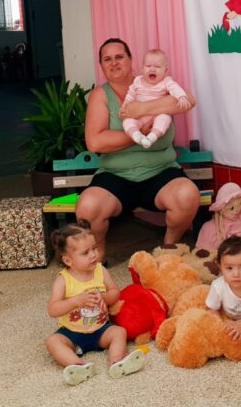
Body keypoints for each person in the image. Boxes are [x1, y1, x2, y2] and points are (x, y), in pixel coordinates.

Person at [76, 38, 199, 260]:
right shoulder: (100, 95)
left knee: (187, 195)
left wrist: (141, 108)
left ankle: (168, 249)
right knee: (87, 207)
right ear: (101, 65)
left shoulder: (154, 81)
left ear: (131, 59)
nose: (114, 63)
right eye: (107, 59)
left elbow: (188, 100)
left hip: (161, 170)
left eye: (119, 57)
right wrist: (138, 133)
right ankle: (98, 256)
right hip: (115, 174)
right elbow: (95, 142)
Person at [44, 220, 148, 385]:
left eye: (94, 248)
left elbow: (115, 293)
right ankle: (77, 366)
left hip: (101, 330)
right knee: (52, 342)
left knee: (119, 332)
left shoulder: (100, 270)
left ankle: (116, 362)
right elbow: (53, 309)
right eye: (85, 252)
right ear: (68, 261)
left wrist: (104, 297)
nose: (93, 254)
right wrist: (75, 301)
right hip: (72, 333)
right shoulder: (63, 280)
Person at [121, 48, 190, 149]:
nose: (152, 69)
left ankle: (151, 137)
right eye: (148, 66)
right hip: (140, 116)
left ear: (165, 71)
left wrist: (182, 97)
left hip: (158, 114)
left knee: (165, 118)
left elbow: (175, 88)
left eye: (157, 66)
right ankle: (136, 135)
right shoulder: (137, 81)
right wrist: (124, 106)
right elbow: (130, 94)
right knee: (127, 121)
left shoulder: (166, 81)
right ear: (142, 68)